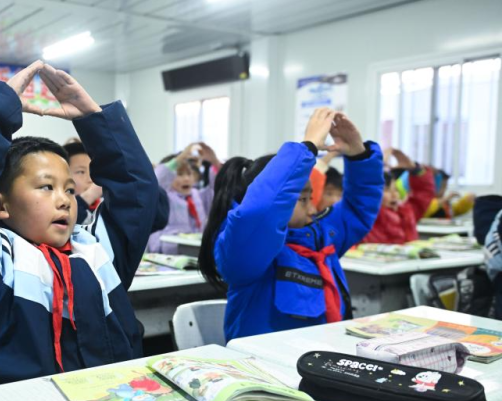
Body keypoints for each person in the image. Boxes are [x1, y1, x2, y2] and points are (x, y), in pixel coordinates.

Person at [0, 62, 167, 394]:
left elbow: (137, 194)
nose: (64, 200)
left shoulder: (97, 253)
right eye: (46, 187)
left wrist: (94, 121)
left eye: (70, 190)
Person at [198, 109, 384, 340]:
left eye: (311, 197)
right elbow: (261, 212)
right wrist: (307, 148)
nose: (313, 209)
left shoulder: (320, 234)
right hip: (264, 367)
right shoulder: (246, 246)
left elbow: (359, 207)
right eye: (303, 199)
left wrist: (358, 155)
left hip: (321, 358)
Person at [147, 142, 221, 254]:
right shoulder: (164, 195)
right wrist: (179, 159)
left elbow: (220, 189)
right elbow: (157, 181)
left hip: (195, 250)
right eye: (180, 174)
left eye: (189, 174)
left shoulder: (199, 196)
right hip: (166, 251)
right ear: (169, 176)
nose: (186, 179)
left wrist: (215, 162)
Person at [362, 149, 435, 244]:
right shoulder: (367, 215)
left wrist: (415, 170)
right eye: (387, 190)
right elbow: (361, 190)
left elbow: (423, 193)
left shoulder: (407, 211)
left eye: (395, 189)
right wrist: (376, 166)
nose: (394, 195)